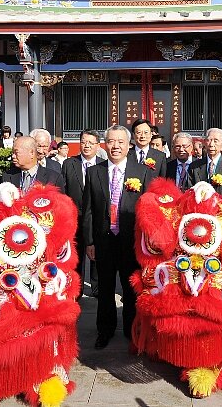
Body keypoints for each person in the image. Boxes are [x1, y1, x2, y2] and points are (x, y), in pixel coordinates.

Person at [83, 125, 152, 350]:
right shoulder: (95, 172)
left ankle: (132, 330)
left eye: (120, 142)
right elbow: (89, 210)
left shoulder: (142, 171)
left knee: (130, 288)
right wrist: (90, 241)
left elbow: (148, 210)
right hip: (103, 240)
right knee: (104, 289)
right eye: (111, 141)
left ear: (129, 144)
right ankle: (105, 329)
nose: (115, 146)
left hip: (130, 241)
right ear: (105, 144)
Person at [62, 129, 104, 299]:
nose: (86, 146)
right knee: (77, 255)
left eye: (90, 143)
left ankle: (97, 287)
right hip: (76, 217)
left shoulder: (103, 164)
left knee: (97, 253)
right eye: (83, 142)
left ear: (98, 145)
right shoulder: (69, 164)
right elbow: (64, 191)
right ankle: (76, 289)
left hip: (96, 217)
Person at [188, 128, 222, 195]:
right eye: (209, 140)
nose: (211, 144)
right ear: (204, 143)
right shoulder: (194, 166)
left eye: (215, 141)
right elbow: (190, 191)